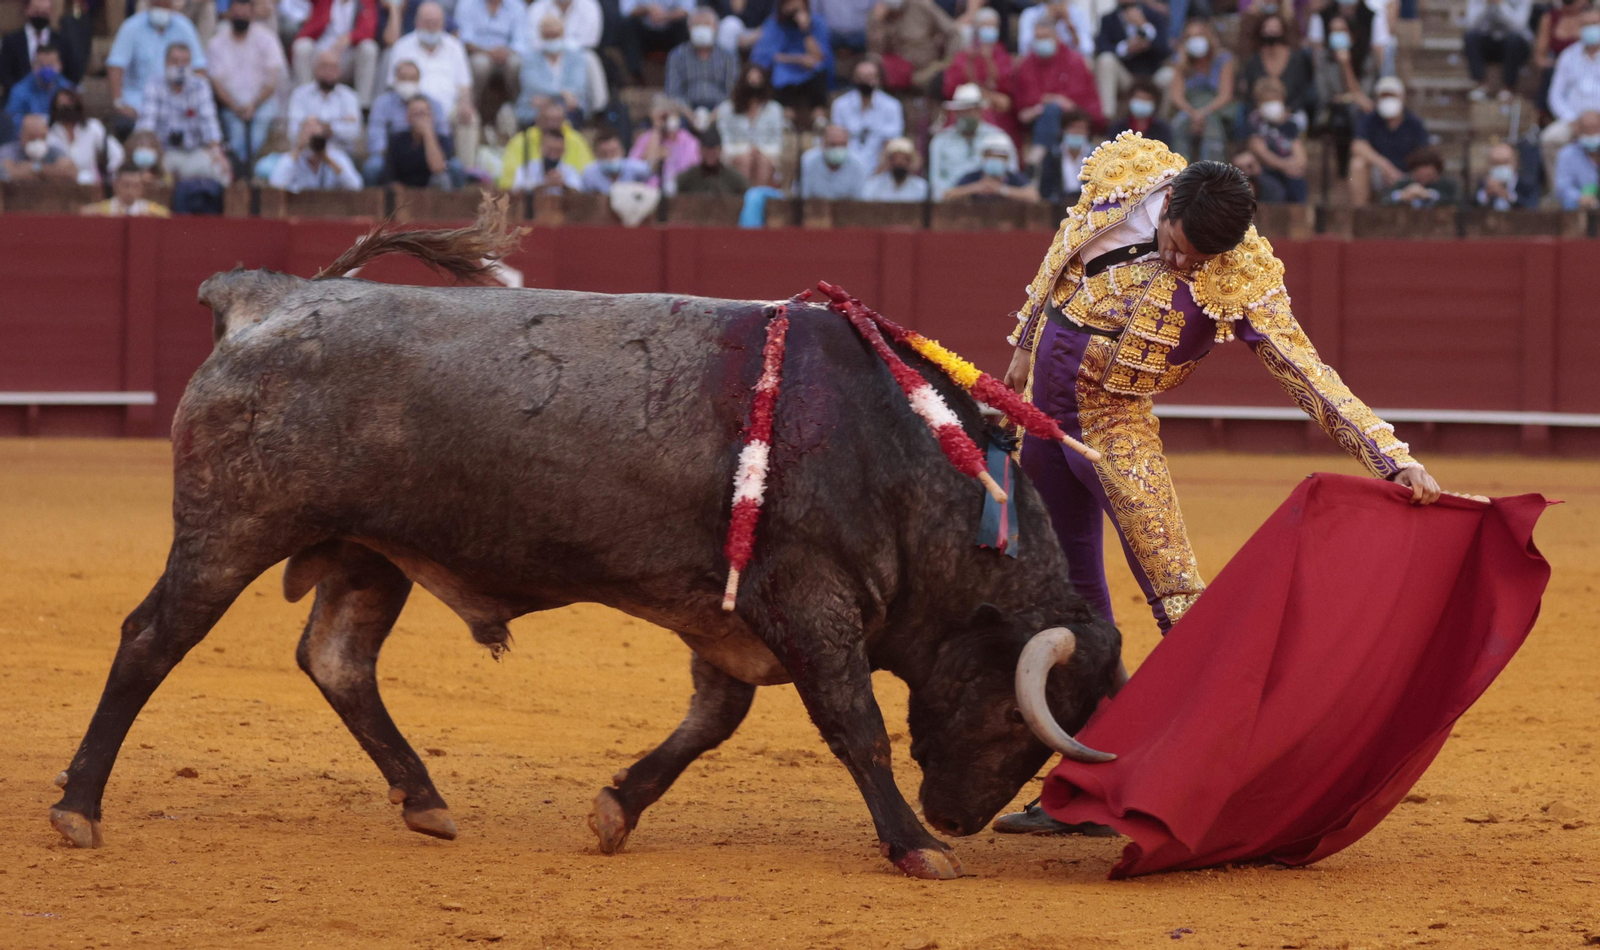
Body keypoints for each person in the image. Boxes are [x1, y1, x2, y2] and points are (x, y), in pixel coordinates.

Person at [991, 137, 1443, 835]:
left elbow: (1306, 371)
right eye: (1176, 248)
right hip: (1047, 424)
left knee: (1180, 602)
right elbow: (1065, 247)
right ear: (1166, 205)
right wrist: (1022, 343)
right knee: (1063, 596)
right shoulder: (1129, 174)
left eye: (1197, 262)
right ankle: (1086, 787)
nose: (1182, 264)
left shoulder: (1244, 275)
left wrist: (1389, 456)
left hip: (1117, 429)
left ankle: (1214, 779)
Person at [387, 3, 478, 162]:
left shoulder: (454, 46)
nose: (431, 27)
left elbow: (464, 85)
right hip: (412, 109)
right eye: (427, 22)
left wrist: (465, 104)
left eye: (435, 23)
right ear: (417, 22)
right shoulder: (402, 46)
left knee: (470, 118)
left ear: (443, 24)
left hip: (449, 110)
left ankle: (465, 171)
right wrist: (416, 109)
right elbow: (393, 85)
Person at [107, 0, 206, 135]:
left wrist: (195, 102)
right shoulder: (131, 26)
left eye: (166, 4)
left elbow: (199, 68)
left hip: (176, 104)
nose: (162, 7)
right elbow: (115, 65)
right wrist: (118, 103)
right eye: (158, 4)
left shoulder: (184, 27)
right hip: (138, 104)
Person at [1013, 16, 1103, 161]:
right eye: (1038, 38)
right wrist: (1050, 102)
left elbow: (1081, 105)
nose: (1042, 42)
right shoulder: (1026, 65)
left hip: (1071, 119)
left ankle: (1039, 154)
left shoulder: (1074, 61)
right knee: (1051, 110)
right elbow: (1023, 112)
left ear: (1056, 37)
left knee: (1053, 110)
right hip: (1036, 121)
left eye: (1045, 37)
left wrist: (1048, 103)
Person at [208, 0, 287, 165]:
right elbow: (216, 83)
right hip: (231, 105)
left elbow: (273, 79)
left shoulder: (267, 39)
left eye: (244, 13)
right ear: (229, 13)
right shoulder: (216, 43)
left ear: (252, 14)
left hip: (262, 102)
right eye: (237, 13)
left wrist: (253, 105)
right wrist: (236, 107)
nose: (240, 16)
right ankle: (241, 168)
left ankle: (238, 167)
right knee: (237, 133)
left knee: (257, 130)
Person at [136, 43, 228, 183]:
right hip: (164, 152)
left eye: (185, 62)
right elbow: (146, 126)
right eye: (175, 61)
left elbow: (209, 125)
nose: (180, 66)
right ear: (166, 62)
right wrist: (147, 159)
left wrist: (218, 155)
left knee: (219, 172)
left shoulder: (200, 86)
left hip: (194, 152)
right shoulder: (153, 85)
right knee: (153, 172)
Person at [941, 6, 1019, 144]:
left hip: (998, 111)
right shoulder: (963, 57)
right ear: (976, 28)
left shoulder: (1003, 56)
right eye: (985, 26)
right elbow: (950, 89)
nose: (990, 30)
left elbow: (1008, 94)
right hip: (966, 108)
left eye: (993, 26)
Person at [1348, 75, 1427, 206]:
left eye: (1392, 96)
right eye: (1384, 96)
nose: (1388, 100)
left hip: (1407, 174)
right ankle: (1360, 211)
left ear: (1402, 97)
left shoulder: (1414, 123)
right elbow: (1357, 145)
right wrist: (1384, 166)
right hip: (1380, 172)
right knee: (1357, 164)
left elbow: (1424, 154)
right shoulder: (1371, 119)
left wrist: (1403, 177)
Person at [929, 82, 1016, 198]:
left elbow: (1012, 174)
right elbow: (936, 182)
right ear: (955, 113)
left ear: (980, 111)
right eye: (962, 111)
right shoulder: (940, 141)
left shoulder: (999, 138)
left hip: (991, 202)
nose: (966, 115)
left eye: (970, 110)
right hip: (951, 204)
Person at [365, 60, 447, 182]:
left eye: (412, 78)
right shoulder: (382, 103)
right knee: (374, 166)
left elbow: (444, 135)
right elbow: (376, 137)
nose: (408, 82)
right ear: (395, 80)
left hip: (426, 150)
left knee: (452, 168)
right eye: (403, 78)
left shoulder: (434, 104)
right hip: (392, 154)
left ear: (419, 80)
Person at [750, 0, 832, 121]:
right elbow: (767, 55)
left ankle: (819, 121)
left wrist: (805, 30)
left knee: (818, 68)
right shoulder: (774, 23)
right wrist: (798, 60)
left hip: (809, 72)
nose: (792, 7)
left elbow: (820, 56)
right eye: (788, 4)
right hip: (785, 70)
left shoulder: (817, 22)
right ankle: (787, 122)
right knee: (780, 73)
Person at [1311, 13, 1370, 177]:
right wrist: (1352, 98)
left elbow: (1364, 96)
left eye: (1341, 30)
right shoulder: (1323, 57)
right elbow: (1324, 93)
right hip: (1332, 110)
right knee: (1342, 117)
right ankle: (1343, 172)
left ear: (1351, 34)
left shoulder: (1366, 56)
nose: (1337, 35)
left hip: (1358, 111)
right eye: (1333, 31)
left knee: (1354, 113)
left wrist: (1346, 65)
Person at [1543, 9, 1600, 176]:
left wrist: (1595, 122)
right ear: (1579, 28)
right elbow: (1555, 95)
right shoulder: (1568, 56)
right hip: (1573, 120)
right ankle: (1560, 191)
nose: (1591, 29)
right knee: (1551, 138)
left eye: (1595, 24)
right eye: (1586, 25)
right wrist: (1572, 120)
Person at [1092, 0, 1169, 123]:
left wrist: (1144, 26)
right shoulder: (1108, 19)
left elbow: (1164, 50)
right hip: (1126, 76)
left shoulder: (1155, 16)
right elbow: (1101, 48)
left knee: (1169, 75)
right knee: (1106, 60)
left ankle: (1161, 123)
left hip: (1151, 76)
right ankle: (1107, 118)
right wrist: (1126, 48)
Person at [1167, 18, 1232, 163]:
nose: (1196, 40)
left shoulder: (1223, 59)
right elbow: (1176, 95)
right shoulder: (1180, 61)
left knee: (1211, 125)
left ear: (1209, 37)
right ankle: (1180, 175)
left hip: (1216, 108)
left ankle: (1211, 174)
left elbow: (1225, 95)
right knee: (1179, 123)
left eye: (1199, 35)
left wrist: (1203, 113)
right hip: (1189, 108)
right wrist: (1192, 113)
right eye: (1190, 36)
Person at [291, 0, 379, 107]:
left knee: (369, 48)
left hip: (346, 59)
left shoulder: (365, 2)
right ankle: (304, 101)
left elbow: (368, 30)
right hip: (320, 56)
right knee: (302, 46)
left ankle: (362, 106)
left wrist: (350, 38)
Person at [1238, 13, 1316, 127]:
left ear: (1283, 31)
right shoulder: (1253, 62)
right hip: (1261, 114)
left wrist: (1287, 112)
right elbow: (1249, 93)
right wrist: (1262, 111)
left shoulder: (1297, 59)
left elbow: (1304, 91)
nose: (1271, 32)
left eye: (1275, 28)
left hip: (1291, 113)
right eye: (1267, 28)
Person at [498, 98, 593, 189]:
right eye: (547, 120)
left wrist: (563, 184)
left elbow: (586, 178)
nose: (551, 125)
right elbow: (510, 182)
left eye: (556, 120)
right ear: (538, 120)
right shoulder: (522, 141)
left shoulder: (577, 141)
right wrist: (544, 185)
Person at [865, 0, 957, 93]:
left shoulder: (920, 6)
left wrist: (948, 60)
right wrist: (877, 22)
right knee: (869, 69)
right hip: (898, 69)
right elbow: (875, 50)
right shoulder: (882, 15)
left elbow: (953, 33)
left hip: (928, 67)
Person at [831, 58, 904, 173]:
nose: (865, 81)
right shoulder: (840, 105)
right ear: (854, 78)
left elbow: (892, 144)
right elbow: (835, 140)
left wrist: (878, 171)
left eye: (870, 77)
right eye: (861, 77)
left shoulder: (892, 106)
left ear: (878, 79)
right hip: (846, 167)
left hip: (879, 169)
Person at [716, 63, 785, 185]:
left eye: (758, 81)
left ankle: (758, 199)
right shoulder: (727, 109)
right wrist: (746, 150)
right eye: (750, 81)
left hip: (765, 156)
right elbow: (724, 142)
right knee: (745, 160)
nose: (754, 86)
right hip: (735, 155)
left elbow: (777, 142)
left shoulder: (774, 109)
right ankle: (743, 199)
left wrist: (759, 151)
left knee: (763, 161)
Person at [456, 0, 524, 121]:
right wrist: (488, 52)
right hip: (478, 53)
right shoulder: (466, 4)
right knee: (481, 64)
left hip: (507, 54)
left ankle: (518, 109)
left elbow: (521, 41)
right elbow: (465, 40)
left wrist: (506, 51)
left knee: (516, 63)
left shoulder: (517, 6)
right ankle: (472, 108)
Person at [516, 15, 589, 126]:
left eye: (555, 35)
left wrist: (550, 100)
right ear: (540, 36)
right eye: (547, 36)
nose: (551, 39)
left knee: (570, 112)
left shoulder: (576, 57)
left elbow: (577, 85)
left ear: (562, 34)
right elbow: (532, 84)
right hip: (536, 111)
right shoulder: (530, 58)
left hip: (567, 108)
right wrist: (562, 94)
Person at [287, 49, 364, 153]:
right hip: (306, 154)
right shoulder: (300, 94)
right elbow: (293, 131)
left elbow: (354, 132)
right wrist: (335, 124)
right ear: (315, 68)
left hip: (341, 154)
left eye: (333, 66)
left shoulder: (349, 96)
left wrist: (320, 127)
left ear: (340, 70)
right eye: (324, 66)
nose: (329, 71)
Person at [665, 7, 740, 114]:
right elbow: (672, 92)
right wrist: (689, 115)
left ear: (715, 28)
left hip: (719, 110)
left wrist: (714, 115)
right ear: (689, 29)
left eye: (706, 24)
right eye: (697, 25)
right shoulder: (677, 55)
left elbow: (732, 92)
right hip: (685, 110)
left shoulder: (727, 56)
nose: (702, 29)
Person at [1, 0, 85, 94]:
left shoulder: (62, 41)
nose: (40, 16)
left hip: (54, 101)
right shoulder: (11, 41)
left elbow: (74, 72)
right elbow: (4, 73)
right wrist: (19, 93)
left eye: (44, 12)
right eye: (37, 12)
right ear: (27, 10)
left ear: (51, 12)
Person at [1247, 76, 1307, 203]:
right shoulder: (1255, 122)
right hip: (1266, 171)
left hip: (1288, 170)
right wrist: (1284, 166)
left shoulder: (1290, 125)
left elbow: (1301, 156)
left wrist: (1293, 166)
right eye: (1267, 100)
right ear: (1259, 103)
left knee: (1297, 182)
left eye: (1275, 99)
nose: (1272, 104)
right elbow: (1259, 151)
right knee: (1273, 189)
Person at [47, 87, 124, 186]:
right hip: (61, 184)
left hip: (91, 183)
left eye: (70, 104)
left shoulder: (93, 127)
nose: (66, 108)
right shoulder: (50, 133)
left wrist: (109, 176)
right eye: (62, 105)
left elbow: (116, 153)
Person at [630, 95, 701, 195]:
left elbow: (694, 172)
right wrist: (657, 128)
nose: (667, 119)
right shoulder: (646, 138)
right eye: (664, 116)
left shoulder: (689, 141)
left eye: (671, 114)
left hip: (681, 195)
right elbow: (643, 168)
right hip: (650, 194)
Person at [1464, 0, 1532, 101]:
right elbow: (1471, 23)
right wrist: (1485, 5)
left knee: (1514, 39)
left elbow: (1519, 26)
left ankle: (1507, 88)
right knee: (1470, 37)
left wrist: (1502, 4)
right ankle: (1481, 86)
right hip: (1488, 42)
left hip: (1514, 45)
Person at [268, 116, 363, 190]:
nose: (312, 140)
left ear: (324, 137)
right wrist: (298, 148)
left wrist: (327, 158)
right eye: (307, 130)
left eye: (315, 133)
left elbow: (356, 186)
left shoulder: (337, 157)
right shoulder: (291, 158)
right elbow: (275, 185)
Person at [945, 132, 1038, 201]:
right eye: (990, 156)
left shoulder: (1014, 177)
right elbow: (948, 195)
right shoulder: (973, 176)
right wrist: (976, 188)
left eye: (1000, 157)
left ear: (1007, 159)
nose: (995, 159)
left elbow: (1033, 196)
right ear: (983, 157)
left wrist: (1001, 190)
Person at [386, 94, 454, 187]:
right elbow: (390, 173)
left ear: (431, 116)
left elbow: (438, 168)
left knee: (442, 178)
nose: (420, 119)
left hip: (431, 189)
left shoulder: (443, 139)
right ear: (408, 118)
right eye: (416, 114)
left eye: (423, 114)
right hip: (405, 190)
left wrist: (428, 134)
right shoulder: (397, 140)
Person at [620, 0, 695, 83]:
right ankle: (635, 75)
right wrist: (647, 9)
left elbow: (689, 10)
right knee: (627, 24)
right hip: (644, 34)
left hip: (670, 32)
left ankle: (682, 73)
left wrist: (666, 16)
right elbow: (626, 10)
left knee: (686, 25)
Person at [1534, 0, 1587, 110]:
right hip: (1558, 68)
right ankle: (1543, 117)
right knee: (1551, 75)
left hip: (1587, 68)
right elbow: (1539, 58)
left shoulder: (1592, 19)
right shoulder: (1549, 18)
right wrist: (1562, 65)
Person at [0, 111, 76, 181]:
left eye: (42, 138)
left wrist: (37, 169)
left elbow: (71, 172)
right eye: (32, 138)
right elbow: (7, 173)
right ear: (21, 136)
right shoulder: (8, 151)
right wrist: (51, 172)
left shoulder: (54, 151)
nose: (37, 142)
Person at [6, 42, 73, 121]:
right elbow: (10, 121)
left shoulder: (67, 88)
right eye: (41, 65)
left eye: (50, 65)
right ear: (33, 65)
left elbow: (76, 117)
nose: (46, 69)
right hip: (32, 131)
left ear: (59, 65)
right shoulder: (19, 91)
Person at [1035, 108, 1090, 204]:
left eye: (1081, 128)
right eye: (1073, 127)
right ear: (1063, 130)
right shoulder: (1052, 156)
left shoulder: (1096, 156)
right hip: (1058, 206)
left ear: (1087, 132)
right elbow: (1045, 190)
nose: (1076, 132)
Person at [799, 123, 867, 198]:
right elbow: (802, 198)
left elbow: (860, 203)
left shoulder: (858, 165)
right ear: (823, 144)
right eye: (833, 145)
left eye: (841, 145)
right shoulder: (807, 162)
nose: (837, 149)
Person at [675, 127, 749, 193]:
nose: (710, 154)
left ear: (720, 150)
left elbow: (747, 194)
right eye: (707, 150)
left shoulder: (734, 178)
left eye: (713, 151)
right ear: (700, 150)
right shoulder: (687, 179)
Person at [1017, 0, 1096, 61]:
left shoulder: (1079, 14)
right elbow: (1024, 50)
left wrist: (1070, 27)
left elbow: (1087, 51)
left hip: (1069, 64)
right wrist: (1047, 20)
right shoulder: (1030, 14)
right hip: (1039, 62)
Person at [80, 163, 172, 216]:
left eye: (135, 185)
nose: (130, 190)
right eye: (126, 185)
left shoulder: (154, 213)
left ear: (141, 187)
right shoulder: (99, 212)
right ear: (115, 186)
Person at [1381, 147, 1459, 208]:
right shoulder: (1403, 183)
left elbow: (1457, 202)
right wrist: (1402, 195)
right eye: (1420, 175)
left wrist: (1429, 194)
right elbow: (1384, 201)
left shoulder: (1448, 185)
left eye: (1429, 175)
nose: (1424, 179)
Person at [510, 127, 582, 192]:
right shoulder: (526, 169)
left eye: (557, 151)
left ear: (563, 151)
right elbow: (517, 193)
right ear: (540, 148)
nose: (553, 156)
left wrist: (563, 185)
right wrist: (545, 184)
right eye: (549, 150)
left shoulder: (570, 171)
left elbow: (579, 195)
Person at [578, 126, 651, 190]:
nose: (609, 158)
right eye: (604, 154)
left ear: (622, 151)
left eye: (613, 152)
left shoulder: (636, 168)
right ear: (596, 155)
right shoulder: (589, 174)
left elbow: (651, 170)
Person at [1104, 75, 1172, 144]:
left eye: (1147, 99)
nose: (1142, 102)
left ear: (1155, 103)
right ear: (1130, 100)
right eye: (1139, 98)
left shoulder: (1163, 129)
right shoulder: (1118, 127)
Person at [859, 134, 928, 200]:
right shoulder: (873, 187)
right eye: (894, 158)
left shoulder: (921, 188)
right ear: (888, 161)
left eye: (905, 159)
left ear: (910, 162)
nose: (899, 163)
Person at [1474, 139, 1539, 209]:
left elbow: (1532, 207)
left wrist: (1508, 196)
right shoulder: (1483, 184)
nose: (1501, 167)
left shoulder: (1527, 184)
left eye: (1505, 162)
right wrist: (1487, 194)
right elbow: (1471, 206)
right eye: (1496, 163)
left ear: (1515, 162)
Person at [1555, 109, 1600, 209]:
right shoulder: (1567, 153)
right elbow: (1562, 188)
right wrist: (1581, 197)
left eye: (1595, 128)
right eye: (1586, 129)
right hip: (1579, 204)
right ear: (1579, 130)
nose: (1591, 133)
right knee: (1569, 204)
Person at [526, 0, 603, 49]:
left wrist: (559, 47)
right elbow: (533, 41)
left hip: (579, 56)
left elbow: (590, 42)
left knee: (589, 57)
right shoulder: (537, 7)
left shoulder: (590, 5)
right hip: (542, 57)